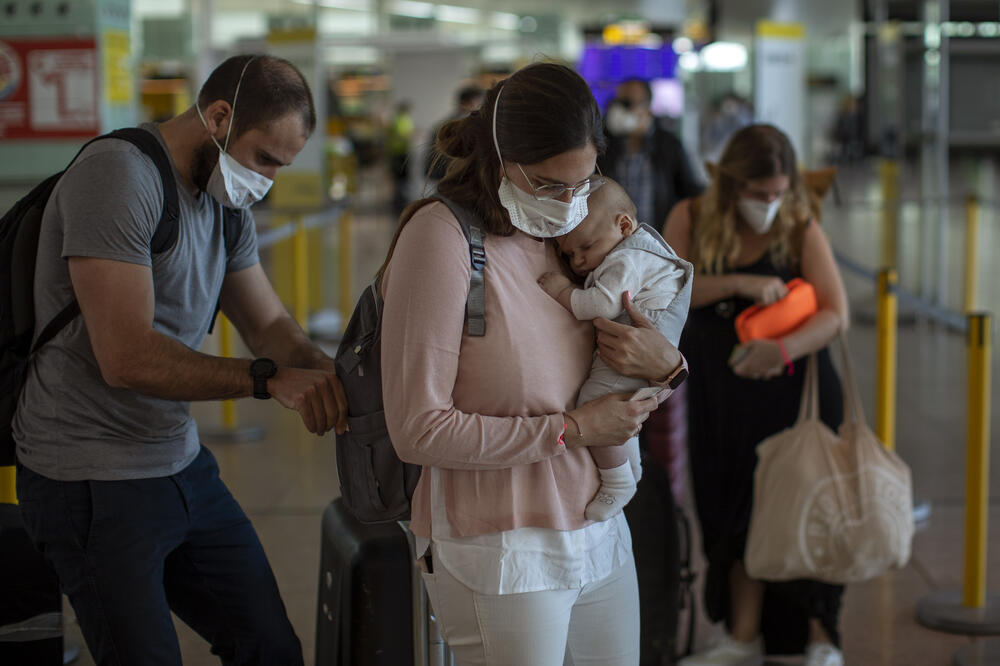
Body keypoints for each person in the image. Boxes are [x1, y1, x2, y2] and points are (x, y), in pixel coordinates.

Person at [13, 54, 348, 666]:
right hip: (88, 476)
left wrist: (335, 375)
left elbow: (268, 324)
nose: (266, 180)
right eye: (264, 158)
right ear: (218, 116)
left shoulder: (225, 203)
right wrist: (266, 381)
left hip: (178, 462)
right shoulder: (119, 175)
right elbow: (128, 357)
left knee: (270, 647)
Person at [380, 62, 688, 666]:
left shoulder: (574, 233)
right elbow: (417, 429)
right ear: (501, 158)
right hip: (502, 547)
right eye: (550, 184)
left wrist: (671, 367)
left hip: (598, 529)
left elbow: (628, 353)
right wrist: (573, 431)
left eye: (584, 180)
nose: (571, 202)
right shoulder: (441, 241)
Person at [664, 124, 849, 666]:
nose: (768, 204)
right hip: (723, 395)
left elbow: (836, 313)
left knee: (804, 507)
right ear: (731, 184)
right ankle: (743, 636)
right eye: (757, 193)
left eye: (777, 193)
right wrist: (740, 284)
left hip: (796, 389)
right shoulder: (692, 217)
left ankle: (820, 637)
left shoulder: (798, 223)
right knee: (731, 507)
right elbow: (668, 287)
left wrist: (783, 349)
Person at [538, 178, 692, 522]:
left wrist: (564, 290)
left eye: (585, 247)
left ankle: (617, 480)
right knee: (623, 410)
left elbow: (602, 304)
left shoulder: (627, 259)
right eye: (568, 254)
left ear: (623, 225)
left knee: (594, 404)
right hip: (653, 354)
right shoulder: (634, 248)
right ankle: (631, 466)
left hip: (640, 344)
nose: (578, 261)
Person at [599, 78, 703, 232]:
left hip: (658, 239)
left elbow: (690, 190)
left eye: (627, 103)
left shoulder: (668, 145)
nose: (620, 109)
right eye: (618, 103)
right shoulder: (604, 143)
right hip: (614, 240)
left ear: (647, 106)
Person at [424, 84, 485, 182]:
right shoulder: (458, 126)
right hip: (445, 176)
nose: (481, 107)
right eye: (479, 102)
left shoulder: (448, 122)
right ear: (468, 103)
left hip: (443, 176)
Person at [388, 100, 415, 216]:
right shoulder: (400, 119)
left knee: (402, 178)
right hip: (399, 153)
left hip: (401, 152)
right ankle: (399, 201)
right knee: (401, 177)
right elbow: (403, 134)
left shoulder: (402, 119)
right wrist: (415, 134)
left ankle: (400, 199)